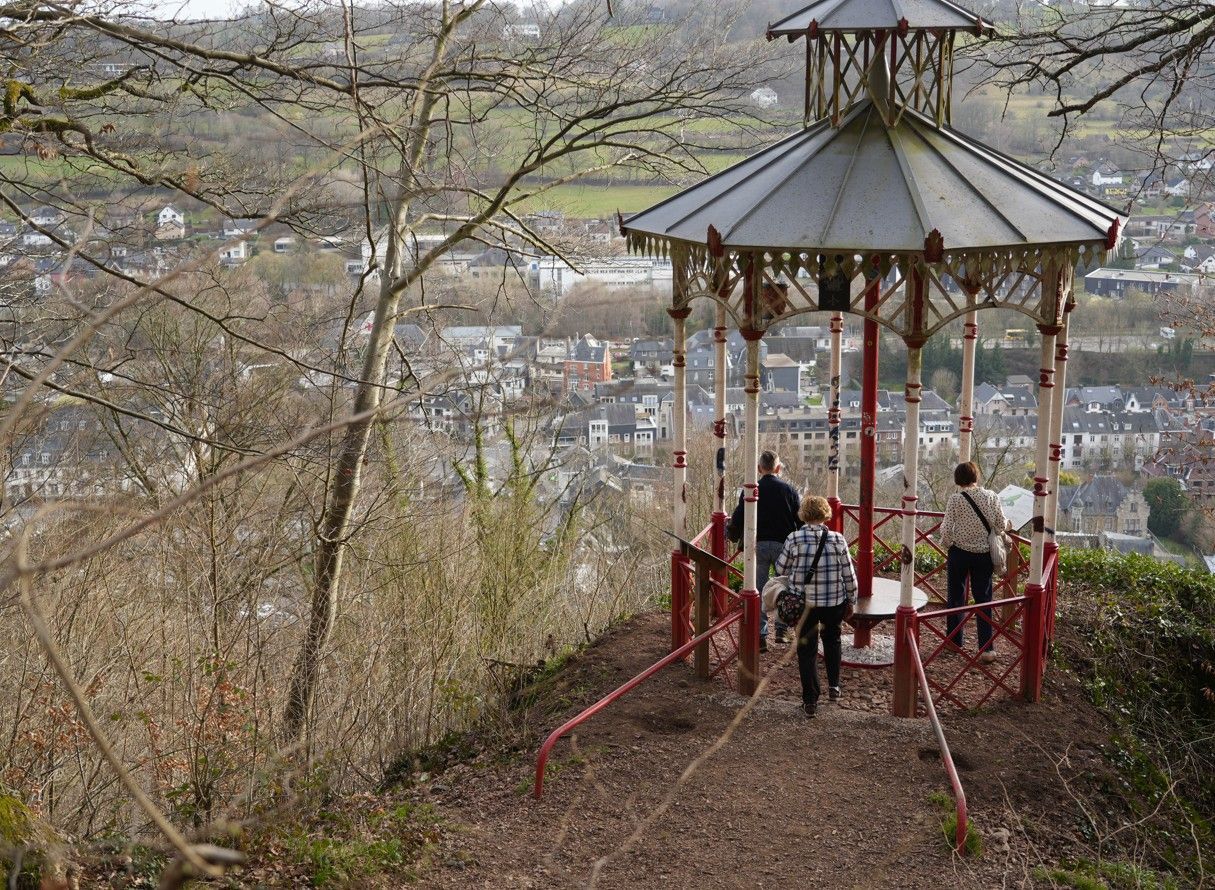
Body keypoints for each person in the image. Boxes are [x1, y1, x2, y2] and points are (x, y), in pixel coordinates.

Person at [775, 496, 857, 717]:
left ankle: (810, 700)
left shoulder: (794, 538)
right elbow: (849, 575)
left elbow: (780, 567)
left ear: (804, 514)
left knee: (807, 650)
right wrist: (852, 600)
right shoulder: (838, 539)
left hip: (804, 603)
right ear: (825, 514)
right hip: (833, 601)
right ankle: (834, 686)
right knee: (832, 640)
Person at [939, 461, 1010, 663]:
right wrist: (1008, 526)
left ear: (958, 479)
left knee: (955, 597)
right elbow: (999, 525)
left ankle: (955, 641)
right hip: (983, 555)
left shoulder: (955, 500)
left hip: (959, 554)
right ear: (976, 477)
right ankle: (986, 648)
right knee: (984, 599)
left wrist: (949, 545)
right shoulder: (991, 496)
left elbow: (945, 529)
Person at [729, 449, 800, 651]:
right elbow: (800, 519)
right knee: (783, 588)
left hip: (757, 545)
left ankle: (760, 635)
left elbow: (739, 516)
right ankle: (781, 630)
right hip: (783, 546)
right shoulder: (789, 490)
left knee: (758, 589)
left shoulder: (751, 489)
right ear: (778, 468)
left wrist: (733, 534)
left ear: (759, 468)